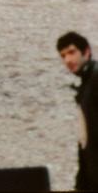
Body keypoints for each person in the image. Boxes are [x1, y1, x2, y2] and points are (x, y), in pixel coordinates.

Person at [58, 32, 98, 192]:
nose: (68, 60)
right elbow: (85, 141)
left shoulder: (95, 80)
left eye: (72, 52)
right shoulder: (85, 85)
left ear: (86, 51)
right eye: (63, 56)